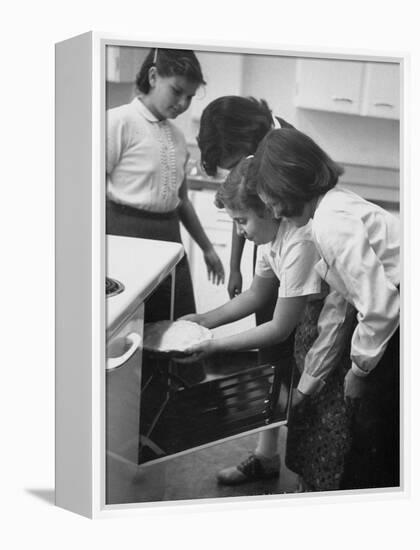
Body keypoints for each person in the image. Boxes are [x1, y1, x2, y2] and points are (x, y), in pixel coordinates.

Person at [178, 158, 355, 491]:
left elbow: (278, 328)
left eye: (241, 221)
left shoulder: (299, 241)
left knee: (327, 418)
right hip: (310, 331)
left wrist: (212, 345)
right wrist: (204, 321)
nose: (239, 231)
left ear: (270, 209)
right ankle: (306, 484)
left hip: (336, 333)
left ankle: (321, 494)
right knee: (307, 416)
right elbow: (258, 295)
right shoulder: (269, 238)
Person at [252, 128, 400, 489]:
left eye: (270, 198)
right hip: (396, 310)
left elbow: (379, 305)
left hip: (400, 315)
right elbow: (343, 300)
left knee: (378, 438)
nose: (271, 210)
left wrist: (359, 370)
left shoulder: (331, 221)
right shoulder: (332, 207)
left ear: (289, 182)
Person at [106, 48, 225, 324]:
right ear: (153, 76)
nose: (183, 103)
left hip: (170, 239)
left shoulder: (178, 136)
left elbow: (181, 201)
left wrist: (207, 249)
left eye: (190, 96)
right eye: (176, 91)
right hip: (125, 237)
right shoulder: (118, 121)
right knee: (131, 326)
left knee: (174, 325)